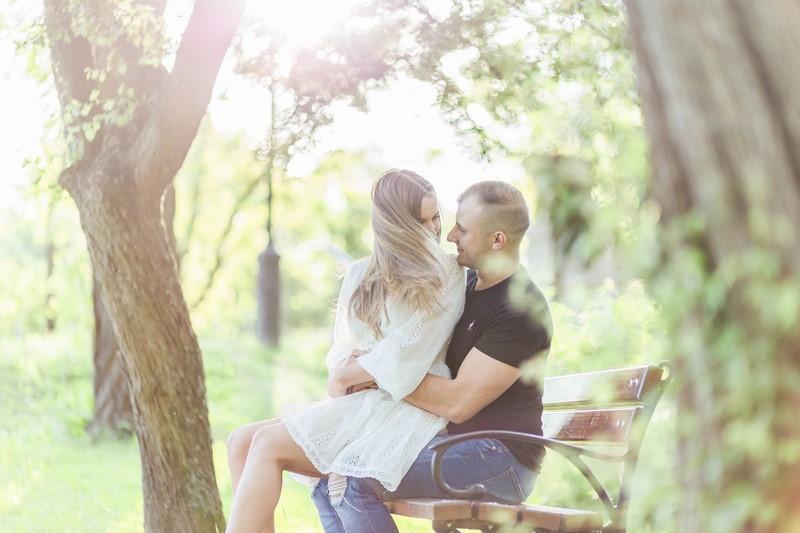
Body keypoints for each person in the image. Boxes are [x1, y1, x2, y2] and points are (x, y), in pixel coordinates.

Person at [225, 169, 466, 533]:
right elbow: (343, 349)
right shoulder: (360, 275)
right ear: (393, 224)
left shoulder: (448, 273)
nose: (434, 230)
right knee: (239, 441)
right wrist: (347, 371)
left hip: (406, 410)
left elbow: (411, 349)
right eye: (422, 221)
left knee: (266, 445)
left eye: (436, 218)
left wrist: (353, 373)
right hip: (363, 404)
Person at [310, 180, 553, 532]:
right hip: (451, 442)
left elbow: (457, 404)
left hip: (501, 460)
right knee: (324, 482)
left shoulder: (520, 310)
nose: (450, 235)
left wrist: (376, 372)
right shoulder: (465, 287)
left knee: (353, 480)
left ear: (497, 240)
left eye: (463, 229)